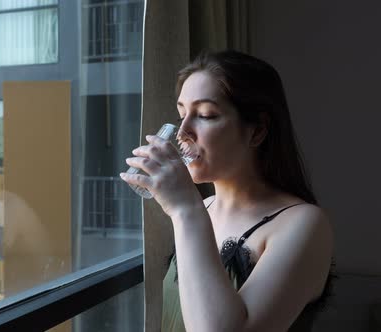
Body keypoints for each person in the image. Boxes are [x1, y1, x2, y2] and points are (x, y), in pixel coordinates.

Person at [120, 50, 336, 332]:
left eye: (206, 115)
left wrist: (185, 209)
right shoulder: (205, 208)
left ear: (257, 131)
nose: (182, 131)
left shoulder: (305, 224)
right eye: (181, 114)